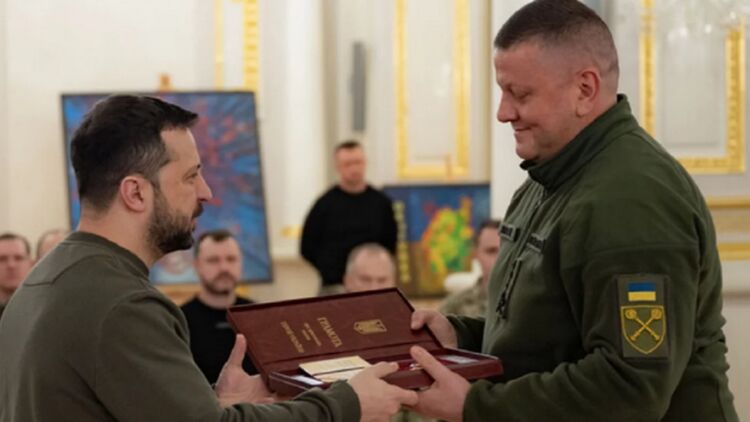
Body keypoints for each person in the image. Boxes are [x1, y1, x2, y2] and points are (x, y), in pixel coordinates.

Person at [408, 1, 738, 421]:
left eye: (520, 94)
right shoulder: (549, 178)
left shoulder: (632, 198)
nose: (503, 112)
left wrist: (476, 407)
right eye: (503, 92)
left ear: (584, 89)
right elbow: (547, 336)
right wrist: (458, 336)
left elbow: (630, 388)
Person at [0, 95, 417, 421]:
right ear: (136, 192)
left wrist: (217, 403)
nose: (206, 192)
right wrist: (347, 404)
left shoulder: (41, 283)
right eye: (190, 176)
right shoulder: (122, 305)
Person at [301, 140, 398, 296]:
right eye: (347, 164)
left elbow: (390, 244)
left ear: (365, 163)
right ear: (338, 167)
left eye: (358, 162)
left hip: (374, 286)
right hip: (334, 286)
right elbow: (307, 247)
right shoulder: (324, 204)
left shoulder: (381, 203)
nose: (354, 168)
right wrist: (330, 270)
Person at [181, 229, 257, 383]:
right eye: (213, 260)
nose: (224, 268)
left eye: (231, 259)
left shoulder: (260, 315)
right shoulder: (178, 321)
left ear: (241, 263)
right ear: (196, 266)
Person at [438, 220, 501, 318]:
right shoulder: (453, 308)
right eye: (491, 251)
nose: (499, 259)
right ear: (475, 253)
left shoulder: (524, 305)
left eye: (505, 252)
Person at [0, 232, 33, 319]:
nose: (11, 265)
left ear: (31, 264)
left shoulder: (44, 309)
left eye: (18, 258)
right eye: (2, 259)